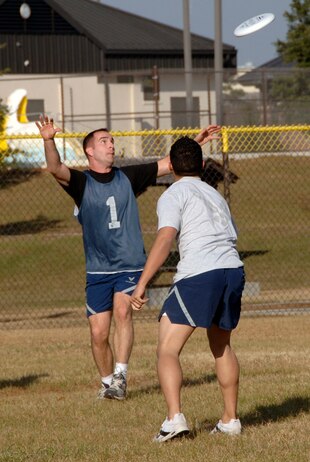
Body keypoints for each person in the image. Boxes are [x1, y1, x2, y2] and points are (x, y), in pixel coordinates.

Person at [35, 115, 221, 401]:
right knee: (98, 333)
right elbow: (55, 167)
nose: (111, 145)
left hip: (130, 263)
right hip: (98, 269)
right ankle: (108, 382)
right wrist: (49, 140)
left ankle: (121, 377)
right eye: (104, 141)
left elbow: (168, 164)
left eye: (112, 141)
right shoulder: (82, 183)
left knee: (123, 311)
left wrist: (194, 144)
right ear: (90, 151)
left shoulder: (127, 177)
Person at [131, 136, 245, 441]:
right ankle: (230, 419)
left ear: (170, 167)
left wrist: (142, 284)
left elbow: (166, 238)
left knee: (167, 347)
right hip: (232, 270)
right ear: (204, 165)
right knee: (221, 345)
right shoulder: (214, 194)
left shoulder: (172, 194)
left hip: (200, 273)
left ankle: (174, 419)